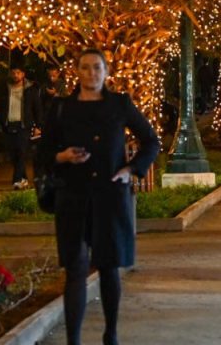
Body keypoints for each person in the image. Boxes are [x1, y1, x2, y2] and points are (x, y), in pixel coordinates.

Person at [40, 49, 160, 345]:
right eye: (85, 67)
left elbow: (151, 141)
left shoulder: (120, 104)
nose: (91, 73)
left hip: (110, 197)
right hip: (74, 197)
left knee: (109, 267)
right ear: (76, 71)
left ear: (106, 72)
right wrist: (63, 156)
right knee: (76, 269)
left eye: (97, 67)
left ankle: (111, 335)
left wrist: (131, 169)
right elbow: (42, 152)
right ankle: (74, 340)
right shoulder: (62, 107)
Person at [0, 63, 41, 189]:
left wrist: (38, 126)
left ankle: (16, 180)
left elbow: (37, 109)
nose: (15, 75)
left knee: (21, 151)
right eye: (13, 73)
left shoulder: (31, 89)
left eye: (18, 73)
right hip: (8, 124)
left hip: (24, 125)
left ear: (23, 74)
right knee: (13, 154)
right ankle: (23, 179)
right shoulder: (5, 88)